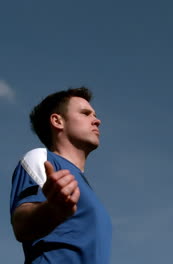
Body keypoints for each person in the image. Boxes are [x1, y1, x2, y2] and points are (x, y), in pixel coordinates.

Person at [9, 87, 112, 264]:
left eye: (94, 115)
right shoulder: (42, 159)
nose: (97, 121)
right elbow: (21, 225)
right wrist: (51, 210)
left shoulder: (86, 189)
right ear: (58, 121)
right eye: (86, 113)